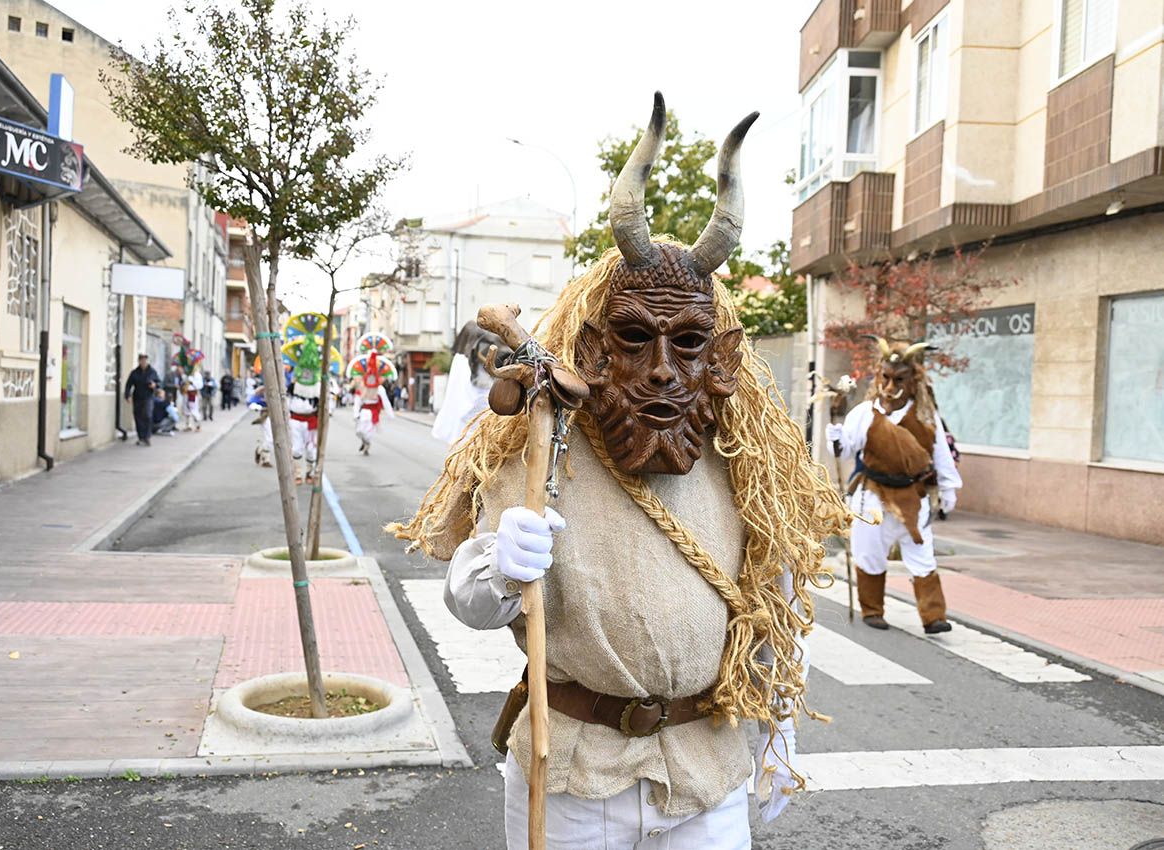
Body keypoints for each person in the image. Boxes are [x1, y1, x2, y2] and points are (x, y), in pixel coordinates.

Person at [391, 94, 848, 849]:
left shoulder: (746, 468)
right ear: (597, 352)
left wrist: (776, 740)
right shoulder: (541, 447)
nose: (665, 372)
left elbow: (772, 614)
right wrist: (500, 569)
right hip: (572, 771)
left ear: (723, 362)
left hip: (704, 772)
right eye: (638, 339)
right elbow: (471, 602)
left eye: (690, 345)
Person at [826, 337, 963, 634]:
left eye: (899, 379)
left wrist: (949, 488)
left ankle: (934, 617)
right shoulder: (864, 413)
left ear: (912, 381)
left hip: (913, 497)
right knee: (869, 553)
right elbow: (846, 450)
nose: (891, 386)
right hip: (872, 496)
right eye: (885, 378)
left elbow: (940, 453)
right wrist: (837, 436)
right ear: (879, 377)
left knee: (922, 555)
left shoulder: (926, 415)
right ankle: (872, 609)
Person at [124, 354, 160, 446]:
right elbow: (128, 384)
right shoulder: (135, 372)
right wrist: (127, 395)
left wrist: (154, 385)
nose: (143, 362)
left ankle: (147, 437)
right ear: (139, 361)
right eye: (142, 360)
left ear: (147, 361)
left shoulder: (152, 372)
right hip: (137, 397)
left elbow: (159, 382)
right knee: (138, 417)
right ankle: (141, 437)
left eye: (145, 360)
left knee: (147, 415)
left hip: (148, 397)